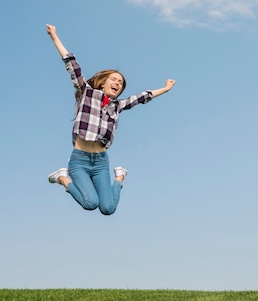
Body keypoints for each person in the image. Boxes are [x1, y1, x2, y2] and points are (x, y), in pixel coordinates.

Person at [46, 24, 176, 215]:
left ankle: (120, 178)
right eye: (114, 79)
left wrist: (164, 89)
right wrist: (55, 37)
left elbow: (141, 97)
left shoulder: (117, 106)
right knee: (90, 203)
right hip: (79, 160)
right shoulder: (87, 93)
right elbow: (72, 65)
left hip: (101, 162)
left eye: (120, 83)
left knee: (107, 208)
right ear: (103, 81)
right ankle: (63, 179)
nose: (117, 83)